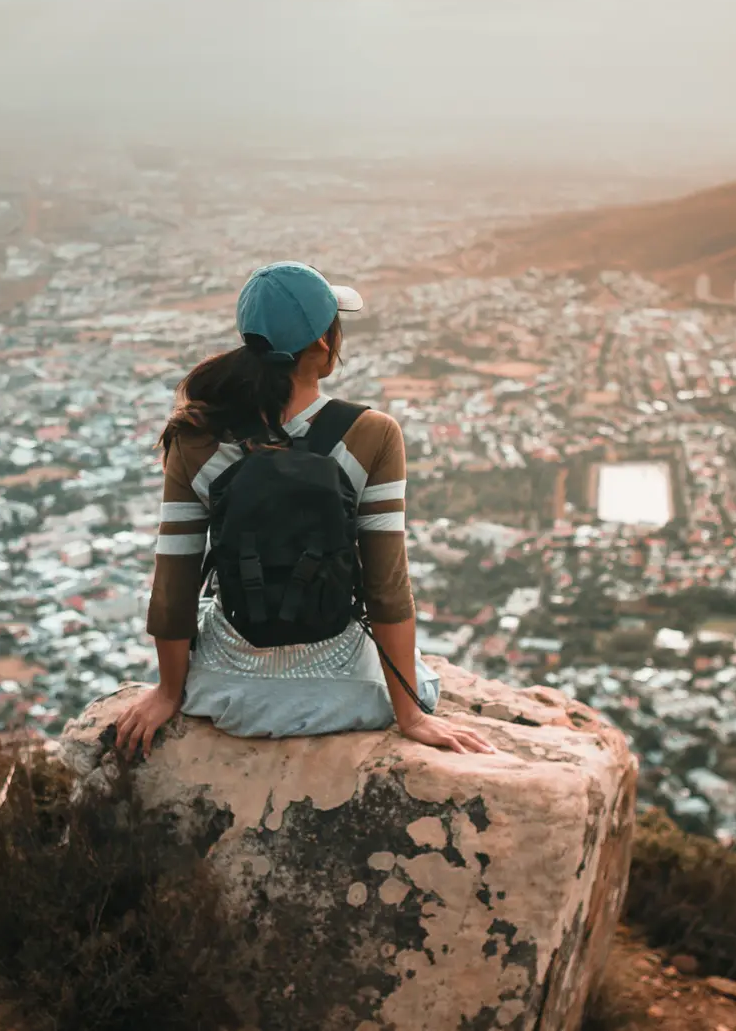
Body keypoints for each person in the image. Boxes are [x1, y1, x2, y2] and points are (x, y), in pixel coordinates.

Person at [113, 262, 496, 758]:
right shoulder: (373, 434)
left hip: (229, 691)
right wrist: (410, 715)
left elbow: (174, 581)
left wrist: (168, 693)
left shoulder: (195, 438)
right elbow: (386, 587)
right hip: (346, 689)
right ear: (322, 341)